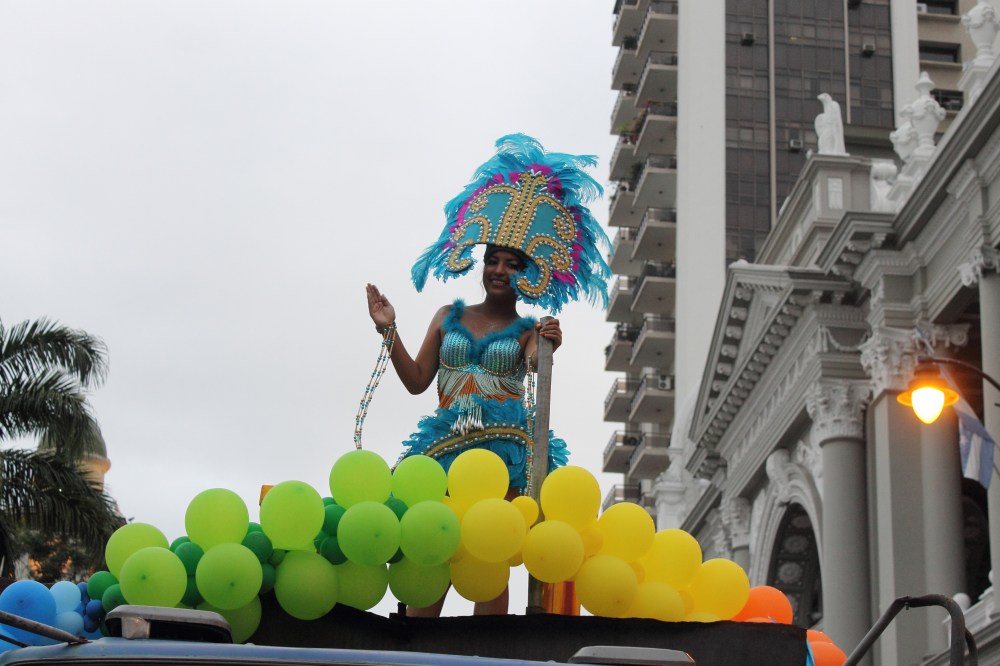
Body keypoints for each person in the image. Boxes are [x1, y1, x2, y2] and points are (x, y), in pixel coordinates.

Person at [366, 134, 610, 617]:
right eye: (493, 260)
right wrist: (389, 330)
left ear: (528, 272)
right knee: (431, 554)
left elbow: (539, 370)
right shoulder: (445, 316)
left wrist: (550, 345)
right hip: (442, 448)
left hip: (502, 453)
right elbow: (417, 381)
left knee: (487, 557)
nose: (499, 270)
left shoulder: (530, 331)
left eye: (511, 264)